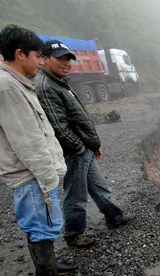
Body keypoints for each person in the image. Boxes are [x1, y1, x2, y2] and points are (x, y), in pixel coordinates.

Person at [0, 25, 83, 276]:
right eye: (37, 56)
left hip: (35, 172)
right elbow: (27, 142)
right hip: (31, 174)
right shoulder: (6, 88)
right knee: (39, 225)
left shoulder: (15, 83)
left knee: (43, 222)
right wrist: (48, 177)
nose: (41, 61)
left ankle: (48, 266)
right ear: (19, 54)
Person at [35, 40, 135, 248]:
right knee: (76, 194)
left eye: (68, 59)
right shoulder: (46, 87)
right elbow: (59, 127)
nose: (65, 63)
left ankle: (114, 217)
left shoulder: (60, 82)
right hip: (75, 151)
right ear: (44, 59)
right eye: (59, 59)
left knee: (98, 186)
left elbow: (77, 118)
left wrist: (93, 144)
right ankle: (74, 234)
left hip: (83, 148)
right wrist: (80, 148)